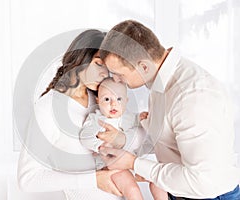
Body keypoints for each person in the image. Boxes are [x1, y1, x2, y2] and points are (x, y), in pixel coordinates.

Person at [97, 20, 240, 199]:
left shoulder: (192, 96)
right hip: (179, 192)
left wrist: (135, 164)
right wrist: (123, 141)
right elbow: (169, 142)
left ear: (143, 66)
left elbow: (203, 182)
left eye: (119, 74)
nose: (116, 80)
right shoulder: (160, 82)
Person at [17, 29, 142, 200]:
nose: (104, 74)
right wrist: (94, 180)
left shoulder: (102, 99)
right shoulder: (48, 108)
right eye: (99, 64)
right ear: (80, 59)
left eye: (108, 69)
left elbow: (134, 134)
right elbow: (28, 179)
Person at [80, 77, 168, 200]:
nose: (113, 103)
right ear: (98, 101)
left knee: (158, 178)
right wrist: (99, 146)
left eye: (119, 99)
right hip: (111, 166)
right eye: (106, 99)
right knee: (131, 189)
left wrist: (141, 118)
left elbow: (139, 125)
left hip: (132, 162)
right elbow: (85, 136)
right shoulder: (96, 119)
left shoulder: (129, 117)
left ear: (126, 101)